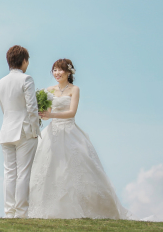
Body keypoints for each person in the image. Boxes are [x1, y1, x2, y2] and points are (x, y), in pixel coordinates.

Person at [28, 58, 131, 219]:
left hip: (70, 130)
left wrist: (52, 114)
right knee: (50, 168)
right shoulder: (49, 90)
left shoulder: (74, 89)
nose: (57, 73)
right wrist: (42, 114)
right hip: (53, 132)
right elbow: (47, 115)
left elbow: (72, 112)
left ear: (69, 72)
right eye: (54, 70)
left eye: (60, 70)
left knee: (77, 168)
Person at [0, 45, 40, 218]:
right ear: (24, 61)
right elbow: (32, 107)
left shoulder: (0, 82)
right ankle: (21, 213)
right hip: (24, 130)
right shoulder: (26, 79)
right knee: (23, 173)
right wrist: (35, 130)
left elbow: (3, 108)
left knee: (9, 173)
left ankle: (9, 212)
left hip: (6, 130)